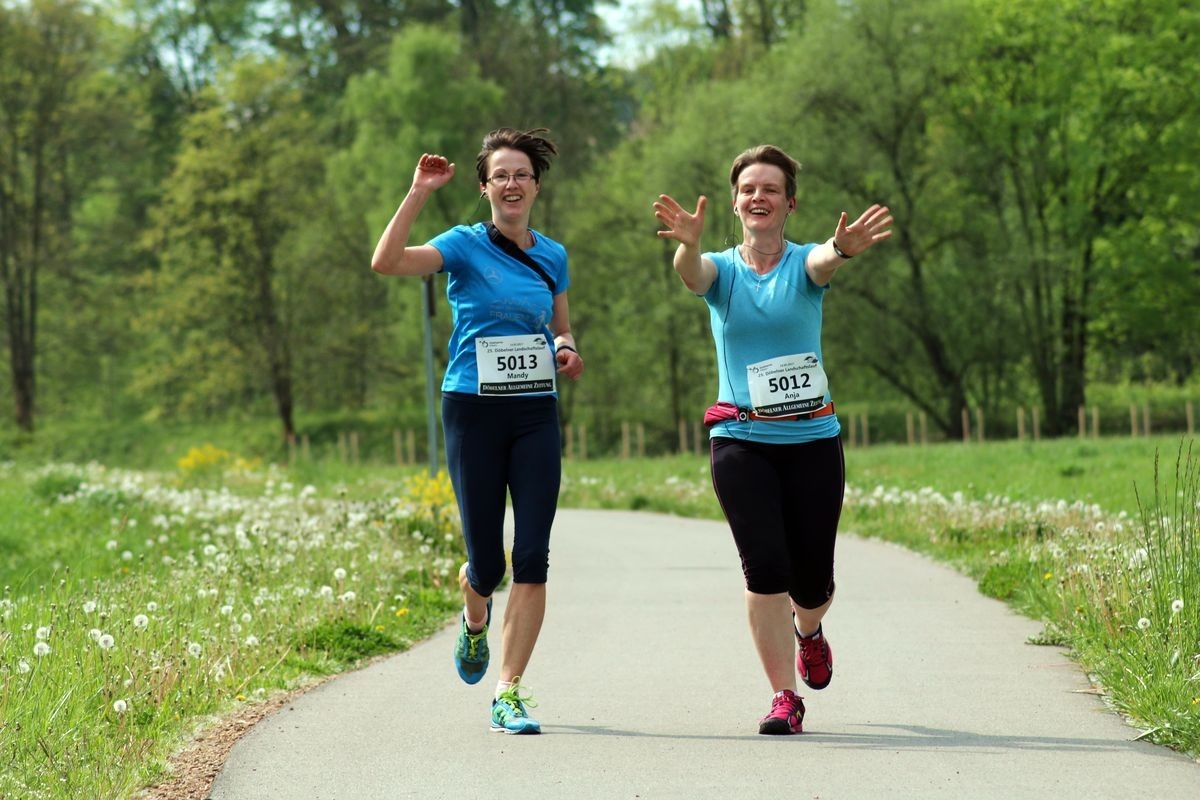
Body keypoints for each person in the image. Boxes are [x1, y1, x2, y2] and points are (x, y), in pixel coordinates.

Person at [653, 144, 892, 735]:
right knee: (764, 569)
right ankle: (784, 696)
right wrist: (686, 241)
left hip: (812, 439)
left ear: (789, 203)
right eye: (748, 189)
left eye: (771, 189)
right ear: (735, 202)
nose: (758, 197)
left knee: (812, 579)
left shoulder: (805, 263)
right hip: (740, 438)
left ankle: (808, 631)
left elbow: (823, 263)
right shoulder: (721, 269)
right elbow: (692, 274)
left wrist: (843, 248)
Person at [371, 127, 583, 735]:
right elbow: (386, 263)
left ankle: (509, 691)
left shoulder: (554, 255)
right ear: (485, 186)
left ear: (536, 186)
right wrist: (417, 193)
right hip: (472, 408)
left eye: (522, 174)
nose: (512, 184)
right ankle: (474, 619)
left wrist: (566, 352)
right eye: (501, 175)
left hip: (536, 410)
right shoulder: (463, 245)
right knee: (486, 564)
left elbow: (561, 328)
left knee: (534, 554)